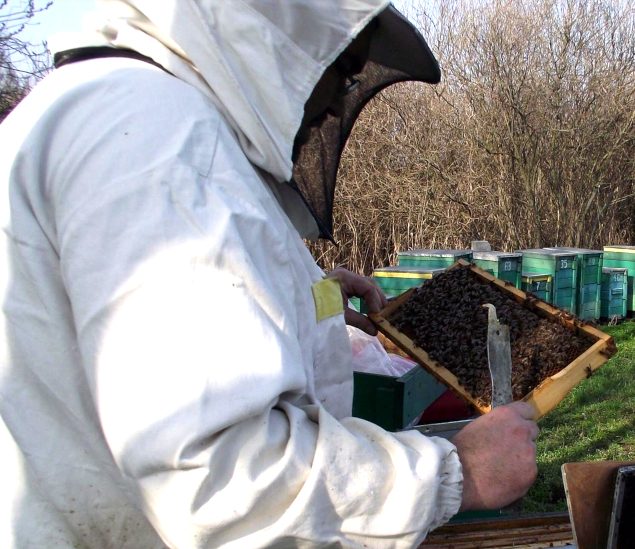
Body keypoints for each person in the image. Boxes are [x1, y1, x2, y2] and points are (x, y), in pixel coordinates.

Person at [0, 1, 538, 547]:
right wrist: (456, 473)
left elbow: (144, 339)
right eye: (340, 67)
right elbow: (223, 478)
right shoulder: (164, 140)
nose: (334, 104)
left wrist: (317, 303)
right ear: (276, 32)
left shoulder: (92, 105)